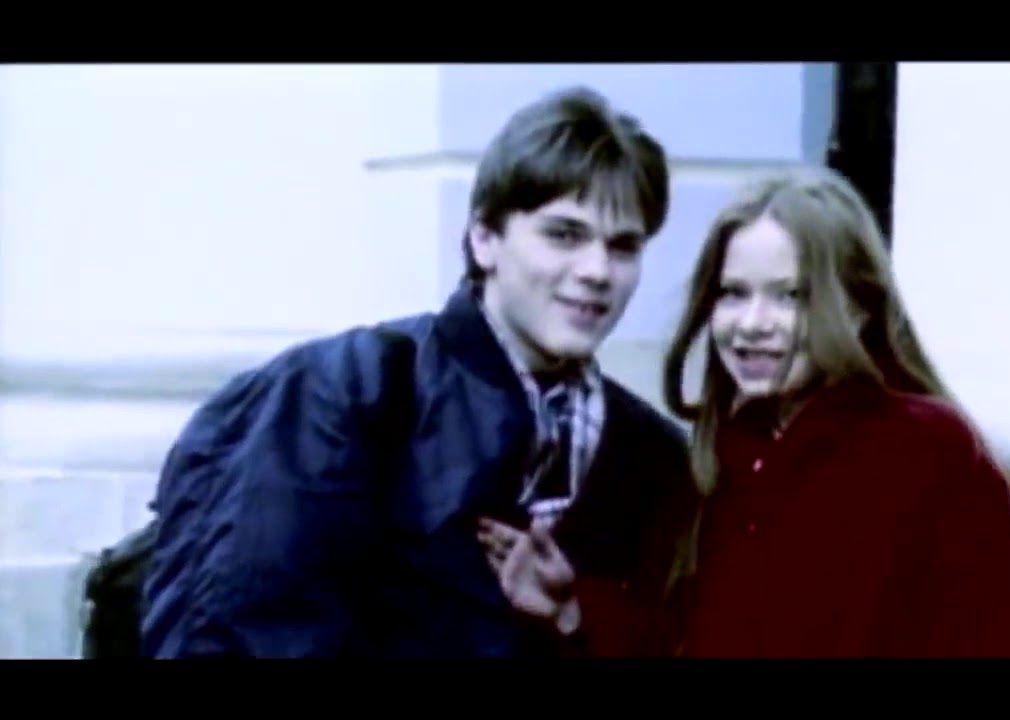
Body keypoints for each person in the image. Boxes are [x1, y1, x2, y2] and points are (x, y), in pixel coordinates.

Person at [140, 85, 698, 657]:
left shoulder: (652, 455)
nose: (597, 271)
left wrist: (574, 621)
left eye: (623, 247)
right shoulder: (351, 390)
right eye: (563, 235)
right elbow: (244, 625)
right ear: (484, 239)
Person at [660, 166, 1010, 658]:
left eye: (791, 296)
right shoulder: (721, 465)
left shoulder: (928, 452)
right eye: (734, 293)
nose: (752, 323)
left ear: (859, 308)